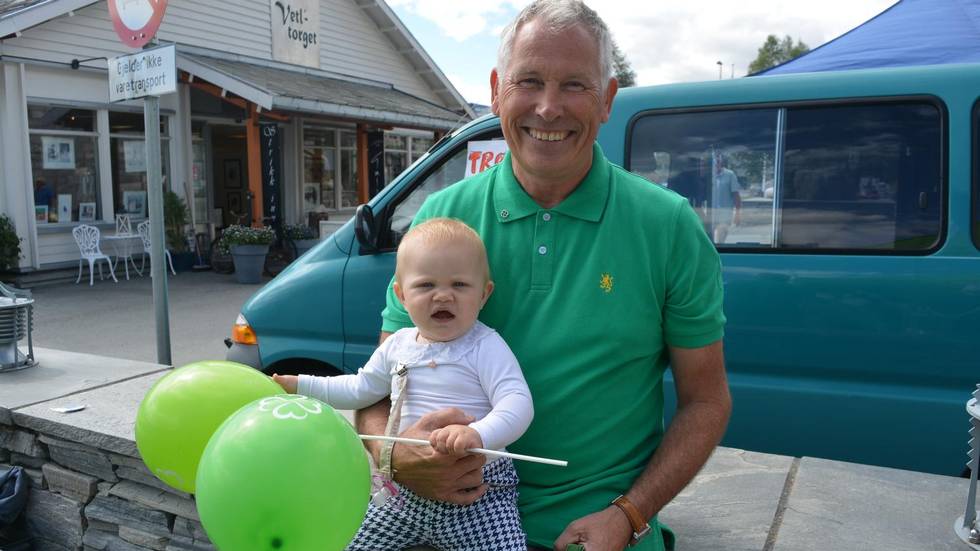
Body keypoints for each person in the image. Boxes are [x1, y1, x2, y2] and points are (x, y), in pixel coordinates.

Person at [358, 2, 732, 550]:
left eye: (574, 85)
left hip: (593, 531)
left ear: (607, 99)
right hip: (441, 522)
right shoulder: (442, 217)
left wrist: (629, 514)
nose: (548, 108)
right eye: (529, 81)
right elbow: (380, 382)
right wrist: (393, 455)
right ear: (497, 91)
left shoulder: (668, 226)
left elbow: (706, 400)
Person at [274, 217, 533, 551]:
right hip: (403, 496)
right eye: (425, 286)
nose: (443, 296)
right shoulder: (398, 345)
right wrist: (299, 385)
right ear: (401, 295)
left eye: (459, 285)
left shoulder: (485, 346)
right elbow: (359, 388)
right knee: (350, 544)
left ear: (484, 294)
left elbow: (518, 403)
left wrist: (479, 434)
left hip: (479, 495)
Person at [710, 154, 742, 244]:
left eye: (718, 161)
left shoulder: (730, 175)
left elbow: (736, 195)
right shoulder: (708, 175)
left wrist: (737, 214)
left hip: (724, 214)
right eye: (714, 162)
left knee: (720, 242)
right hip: (709, 213)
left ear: (721, 162)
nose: (716, 164)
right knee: (708, 241)